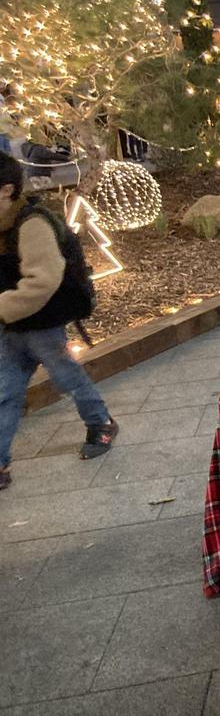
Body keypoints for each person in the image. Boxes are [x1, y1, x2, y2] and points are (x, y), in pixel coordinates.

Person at [0, 154, 119, 489]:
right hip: (12, 327)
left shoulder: (32, 225)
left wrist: (3, 306)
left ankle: (100, 422)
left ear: (6, 190)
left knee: (68, 378)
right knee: (6, 393)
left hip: (43, 324)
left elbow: (42, 281)